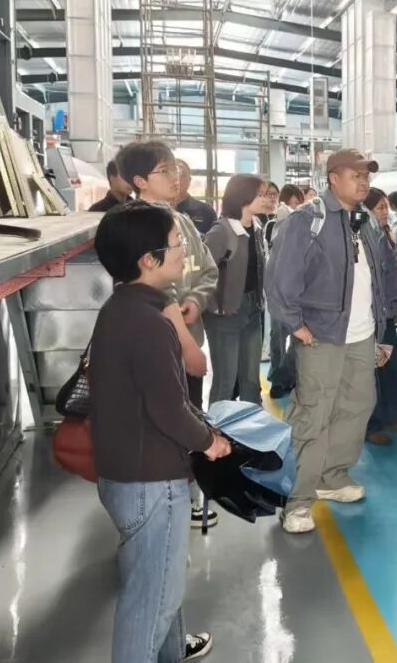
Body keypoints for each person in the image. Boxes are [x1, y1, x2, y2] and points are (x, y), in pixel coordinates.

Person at [89, 202, 230, 663]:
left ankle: (172, 652)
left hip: (124, 474)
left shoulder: (121, 308)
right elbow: (168, 408)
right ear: (148, 260)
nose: (183, 251)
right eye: (175, 244)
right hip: (151, 483)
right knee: (150, 604)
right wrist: (210, 442)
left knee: (159, 584)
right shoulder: (149, 324)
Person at [266, 149, 397, 534]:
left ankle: (332, 475)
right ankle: (297, 500)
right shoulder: (307, 220)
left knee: (358, 405)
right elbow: (280, 278)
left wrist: (388, 316)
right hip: (322, 336)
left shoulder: (367, 222)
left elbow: (386, 271)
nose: (364, 182)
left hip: (363, 334)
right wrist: (295, 324)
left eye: (367, 176)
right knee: (313, 414)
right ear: (333, 179)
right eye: (355, 175)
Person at [117, 141, 220, 528]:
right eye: (165, 170)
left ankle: (187, 493)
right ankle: (160, 502)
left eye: (175, 168)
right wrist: (187, 343)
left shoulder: (184, 222)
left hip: (188, 331)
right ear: (140, 180)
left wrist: (196, 299)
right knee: (162, 420)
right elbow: (152, 290)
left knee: (189, 413)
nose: (176, 176)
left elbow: (208, 269)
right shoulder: (133, 226)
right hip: (158, 345)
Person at [202, 174, 269, 406]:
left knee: (251, 379)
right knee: (226, 381)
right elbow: (203, 273)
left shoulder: (257, 228)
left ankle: (251, 426)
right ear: (243, 196)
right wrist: (213, 306)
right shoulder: (221, 231)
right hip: (225, 313)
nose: (265, 199)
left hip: (253, 309)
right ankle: (218, 427)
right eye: (260, 195)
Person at [362, 187, 397, 446]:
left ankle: (394, 414)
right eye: (380, 208)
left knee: (391, 367)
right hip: (372, 316)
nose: (385, 212)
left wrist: (395, 306)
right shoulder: (365, 239)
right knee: (374, 371)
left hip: (387, 314)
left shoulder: (384, 235)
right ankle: (372, 424)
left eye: (386, 207)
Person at [267, 184, 306, 399]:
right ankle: (277, 378)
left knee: (298, 339)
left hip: (301, 294)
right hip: (278, 292)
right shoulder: (273, 225)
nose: (294, 208)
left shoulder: (308, 228)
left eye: (297, 203)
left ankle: (288, 376)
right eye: (290, 204)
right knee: (278, 338)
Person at [174, 159, 217, 235]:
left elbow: (214, 240)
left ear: (189, 180)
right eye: (174, 174)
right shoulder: (155, 211)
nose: (178, 179)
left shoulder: (206, 212)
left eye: (182, 175)